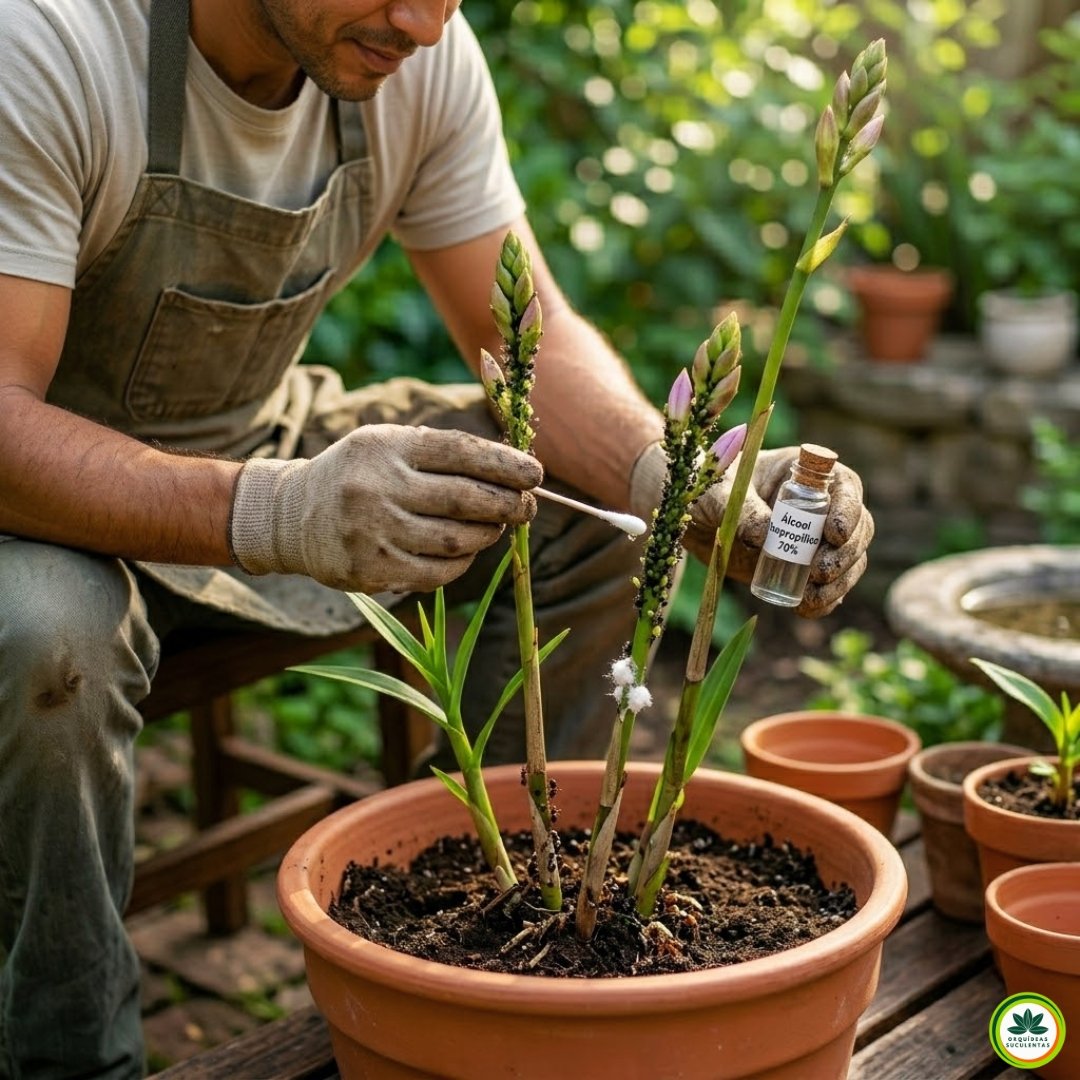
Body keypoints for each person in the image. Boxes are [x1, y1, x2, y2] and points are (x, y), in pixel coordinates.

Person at [0, 1, 874, 1076]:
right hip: (38, 505)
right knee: (43, 641)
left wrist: (680, 484)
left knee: (574, 514)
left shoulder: (407, 53)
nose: (422, 20)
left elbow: (525, 346)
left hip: (259, 438)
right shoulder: (53, 46)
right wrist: (278, 511)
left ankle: (505, 914)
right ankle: (67, 1058)